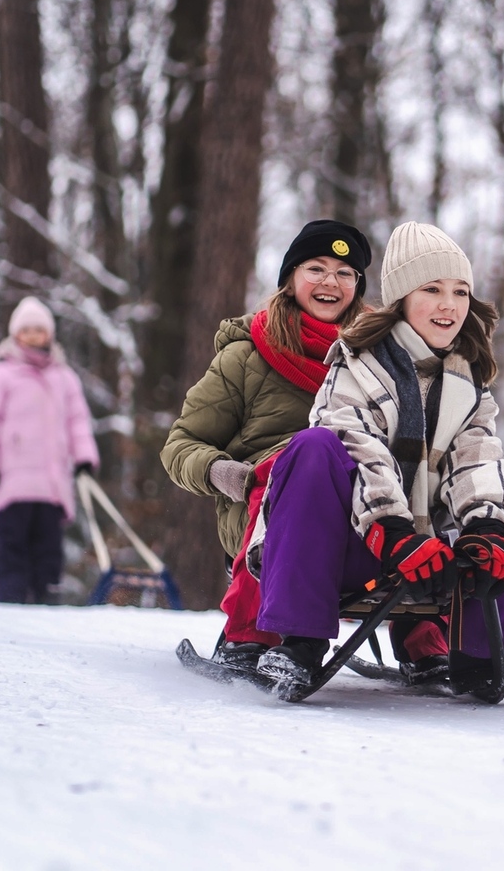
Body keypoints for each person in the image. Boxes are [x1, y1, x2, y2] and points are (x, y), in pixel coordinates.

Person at [252, 221, 504, 695]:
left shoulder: (467, 376)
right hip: (361, 545)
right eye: (433, 289)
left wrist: (486, 527)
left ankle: (487, 647)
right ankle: (301, 642)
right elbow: (360, 449)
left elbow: (475, 455)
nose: (450, 305)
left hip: (433, 556)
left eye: (460, 292)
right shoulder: (355, 364)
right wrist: (396, 534)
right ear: (401, 298)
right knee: (313, 446)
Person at [159, 220, 374, 676]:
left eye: (345, 273)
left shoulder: (377, 362)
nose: (331, 282)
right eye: (316, 268)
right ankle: (248, 634)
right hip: (260, 503)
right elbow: (180, 445)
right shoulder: (246, 357)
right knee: (291, 465)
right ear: (290, 278)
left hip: (356, 509)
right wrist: (224, 473)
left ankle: (433, 644)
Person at [0, 297, 99, 604]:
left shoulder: (64, 378)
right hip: (11, 484)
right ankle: (11, 602)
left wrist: (84, 458)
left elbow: (78, 422)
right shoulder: (0, 376)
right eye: (25, 330)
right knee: (11, 549)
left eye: (38, 330)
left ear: (49, 334)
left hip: (51, 486)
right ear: (15, 334)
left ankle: (46, 602)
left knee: (48, 552)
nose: (32, 336)